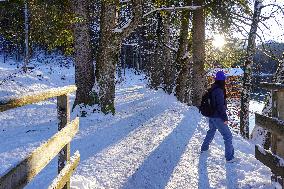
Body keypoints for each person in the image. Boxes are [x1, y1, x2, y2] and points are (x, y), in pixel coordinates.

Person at [200, 71, 238, 163]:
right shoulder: (219, 90)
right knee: (228, 136)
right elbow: (220, 106)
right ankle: (230, 158)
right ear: (223, 80)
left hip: (212, 115)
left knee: (211, 131)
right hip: (217, 116)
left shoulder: (213, 88)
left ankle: (204, 148)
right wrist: (225, 118)